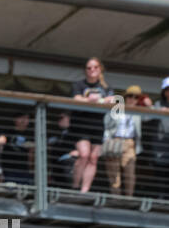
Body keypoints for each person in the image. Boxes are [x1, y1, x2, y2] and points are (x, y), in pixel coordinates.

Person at [71, 57, 115, 193]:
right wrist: (90, 100)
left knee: (93, 158)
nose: (92, 70)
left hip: (97, 125)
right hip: (81, 123)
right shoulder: (79, 84)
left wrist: (98, 100)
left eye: (95, 67)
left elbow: (112, 100)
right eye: (89, 68)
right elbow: (76, 98)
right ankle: (75, 186)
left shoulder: (106, 87)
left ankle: (85, 190)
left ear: (100, 69)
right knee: (84, 154)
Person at [102, 85, 142, 196]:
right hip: (116, 140)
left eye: (136, 97)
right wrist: (107, 141)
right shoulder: (117, 108)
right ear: (125, 97)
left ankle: (129, 198)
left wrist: (147, 103)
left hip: (130, 143)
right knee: (114, 173)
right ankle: (116, 198)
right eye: (130, 96)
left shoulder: (140, 111)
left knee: (130, 174)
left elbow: (152, 115)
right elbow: (107, 124)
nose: (132, 99)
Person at [48, 110, 79, 188]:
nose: (59, 120)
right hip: (57, 162)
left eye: (61, 118)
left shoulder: (76, 131)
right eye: (58, 118)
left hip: (69, 160)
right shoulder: (57, 133)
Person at [1, 112, 33, 185]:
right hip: (8, 168)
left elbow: (31, 153)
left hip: (23, 169)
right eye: (22, 117)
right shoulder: (7, 132)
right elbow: (1, 148)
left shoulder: (31, 135)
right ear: (15, 119)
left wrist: (30, 167)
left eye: (27, 118)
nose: (24, 120)